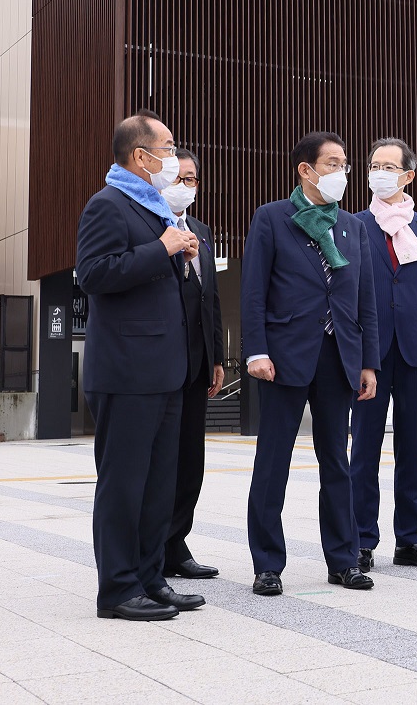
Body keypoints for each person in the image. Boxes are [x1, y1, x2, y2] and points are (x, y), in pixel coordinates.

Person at [77, 109, 204, 621]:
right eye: (168, 149)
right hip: (127, 372)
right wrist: (162, 248)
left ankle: (152, 578)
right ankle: (117, 589)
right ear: (140, 156)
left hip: (165, 371)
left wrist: (176, 248)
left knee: (158, 485)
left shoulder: (154, 209)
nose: (174, 158)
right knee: (124, 484)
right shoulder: (108, 205)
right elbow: (94, 274)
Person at [243, 131, 379, 596]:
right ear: (306, 169)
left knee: (336, 464)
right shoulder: (272, 218)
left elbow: (365, 301)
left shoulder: (353, 227)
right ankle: (267, 564)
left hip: (338, 354)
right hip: (283, 357)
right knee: (273, 461)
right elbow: (254, 291)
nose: (344, 172)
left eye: (345, 163)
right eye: (334, 163)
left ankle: (343, 559)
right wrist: (256, 350)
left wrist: (369, 364)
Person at [350, 137, 417, 572]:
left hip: (416, 351)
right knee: (364, 451)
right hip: (369, 355)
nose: (381, 172)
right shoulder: (353, 224)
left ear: (409, 176)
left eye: (390, 166)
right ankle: (360, 540)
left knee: (413, 450)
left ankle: (412, 540)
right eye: (375, 164)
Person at [160, 149, 225, 581]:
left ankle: (177, 542)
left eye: (194, 179)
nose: (187, 186)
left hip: (199, 362)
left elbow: (211, 299)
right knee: (162, 459)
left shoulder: (201, 229)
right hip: (163, 362)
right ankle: (155, 546)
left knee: (191, 459)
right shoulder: (150, 226)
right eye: (180, 178)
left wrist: (218, 357)